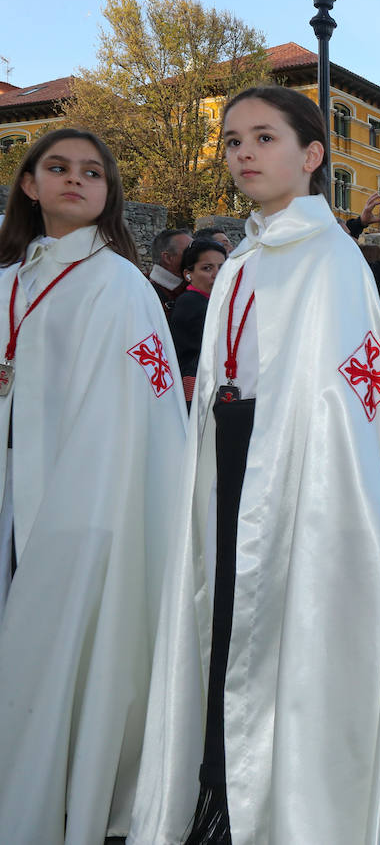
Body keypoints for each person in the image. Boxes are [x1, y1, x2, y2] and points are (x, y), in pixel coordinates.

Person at [131, 85, 380, 843]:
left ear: (311, 154)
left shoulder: (331, 260)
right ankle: (223, 786)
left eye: (263, 137)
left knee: (291, 635)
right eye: (232, 141)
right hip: (229, 461)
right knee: (223, 620)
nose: (243, 153)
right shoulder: (241, 260)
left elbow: (356, 391)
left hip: (297, 474)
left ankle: (282, 803)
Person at [0, 128, 188, 841]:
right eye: (57, 167)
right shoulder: (8, 283)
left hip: (89, 501)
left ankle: (75, 782)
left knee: (76, 647)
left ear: (108, 194)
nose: (74, 180)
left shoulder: (117, 284)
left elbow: (140, 408)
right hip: (14, 493)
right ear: (28, 183)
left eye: (92, 173)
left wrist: (89, 497)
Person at [170, 238, 228, 405]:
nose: (217, 274)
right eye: (207, 268)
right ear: (188, 274)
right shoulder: (191, 303)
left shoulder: (208, 302)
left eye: (222, 267)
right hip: (198, 392)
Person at [148, 226, 192, 316]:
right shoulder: (148, 295)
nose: (198, 256)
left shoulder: (189, 285)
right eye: (190, 251)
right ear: (168, 258)